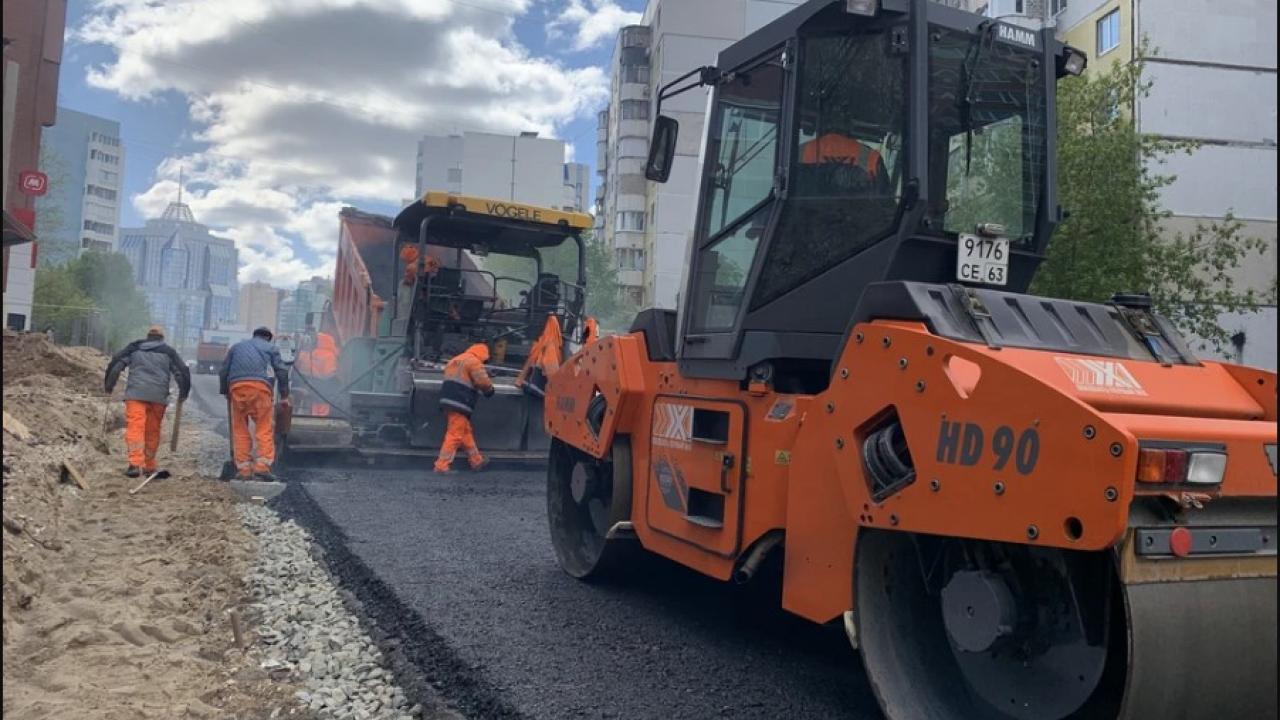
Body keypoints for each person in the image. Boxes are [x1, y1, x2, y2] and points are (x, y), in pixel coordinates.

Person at [104, 325, 191, 477]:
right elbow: (182, 372)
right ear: (161, 338)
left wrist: (109, 386)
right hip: (158, 397)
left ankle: (134, 465)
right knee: (152, 431)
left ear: (148, 336)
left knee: (135, 428)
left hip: (135, 395)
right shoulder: (168, 352)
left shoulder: (134, 348)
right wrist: (183, 392)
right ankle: (149, 465)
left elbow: (117, 365)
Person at [219, 326, 290, 481]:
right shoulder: (271, 348)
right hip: (260, 388)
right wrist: (285, 395)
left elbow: (224, 370)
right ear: (268, 338)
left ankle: (243, 469)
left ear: (254, 335)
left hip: (237, 388)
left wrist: (225, 391)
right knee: (264, 427)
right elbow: (282, 370)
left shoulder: (236, 347)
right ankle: (262, 467)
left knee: (240, 428)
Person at [433, 343, 495, 474]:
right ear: (483, 354)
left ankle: (476, 461)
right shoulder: (474, 362)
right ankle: (441, 466)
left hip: (448, 400)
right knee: (455, 434)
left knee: (465, 432)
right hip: (460, 402)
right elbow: (482, 382)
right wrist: (489, 390)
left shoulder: (455, 360)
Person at [293, 322, 339, 416]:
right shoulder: (329, 356)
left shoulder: (303, 353)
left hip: (306, 385)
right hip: (318, 389)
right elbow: (330, 375)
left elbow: (295, 368)